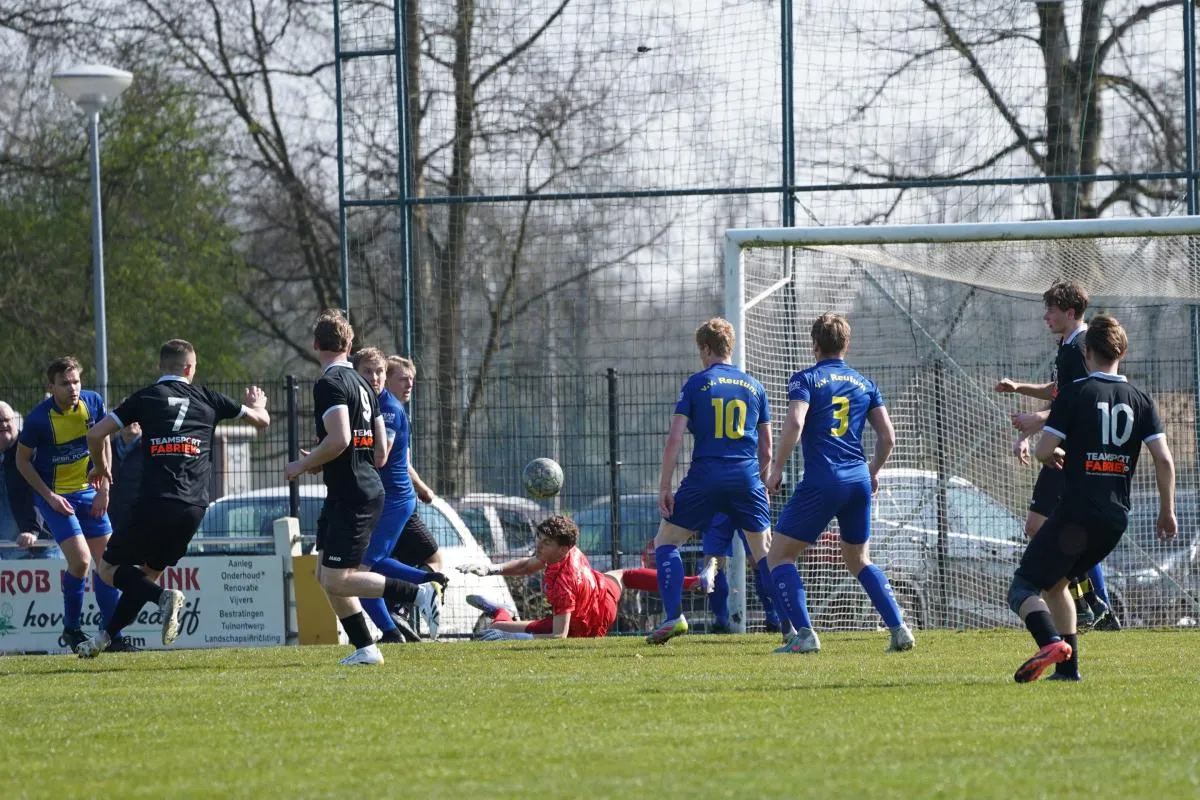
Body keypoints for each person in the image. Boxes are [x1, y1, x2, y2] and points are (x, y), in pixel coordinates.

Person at [74, 339, 271, 657]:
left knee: (107, 569)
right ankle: (104, 638)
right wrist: (257, 405)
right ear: (190, 368)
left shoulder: (146, 397)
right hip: (194, 507)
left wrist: (99, 466)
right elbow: (262, 422)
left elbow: (95, 433)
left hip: (155, 500)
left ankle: (163, 598)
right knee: (148, 575)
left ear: (160, 366)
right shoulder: (210, 398)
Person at [1010, 315, 1174, 683]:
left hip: (1077, 512)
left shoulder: (1075, 393)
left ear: (1086, 353)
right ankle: (1068, 670)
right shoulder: (1141, 400)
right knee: (1057, 584)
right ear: (1122, 353)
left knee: (1022, 587)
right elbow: (1164, 461)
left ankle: (1050, 643)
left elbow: (1044, 450)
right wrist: (1167, 510)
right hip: (1115, 519)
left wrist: (1051, 454)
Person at [283, 310, 434, 666]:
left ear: (315, 344)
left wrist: (302, 464)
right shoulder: (364, 385)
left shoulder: (330, 383)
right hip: (351, 490)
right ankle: (366, 647)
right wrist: (325, 460)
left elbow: (339, 439)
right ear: (349, 345)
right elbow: (379, 453)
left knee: (338, 579)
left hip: (353, 494)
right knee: (324, 575)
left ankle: (419, 593)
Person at [765, 313, 914, 654]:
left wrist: (777, 468)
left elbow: (795, 423)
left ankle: (805, 635)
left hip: (823, 479)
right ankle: (899, 628)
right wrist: (872, 471)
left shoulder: (805, 379)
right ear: (846, 344)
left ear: (814, 344)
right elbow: (888, 437)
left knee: (779, 557)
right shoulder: (864, 384)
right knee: (859, 559)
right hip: (857, 479)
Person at [996, 281, 1116, 630]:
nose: (1045, 316)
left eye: (1051, 309)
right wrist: (1020, 390)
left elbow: (1081, 402)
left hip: (1069, 453)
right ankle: (1091, 603)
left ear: (1070, 312)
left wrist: (1037, 421)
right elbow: (1058, 393)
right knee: (1056, 530)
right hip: (1062, 450)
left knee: (1041, 528)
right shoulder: (1068, 345)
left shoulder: (1080, 348)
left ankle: (1089, 602)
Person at [647, 317, 772, 645]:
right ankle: (791, 626)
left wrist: (665, 486)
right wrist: (761, 483)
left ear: (705, 348)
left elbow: (674, 439)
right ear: (730, 347)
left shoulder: (696, 384)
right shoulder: (755, 386)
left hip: (705, 477)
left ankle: (674, 617)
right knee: (766, 554)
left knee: (666, 543)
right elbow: (767, 447)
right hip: (745, 477)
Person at [14, 358, 128, 650]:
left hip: (89, 491)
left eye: (76, 381)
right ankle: (72, 629)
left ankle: (112, 636)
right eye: (65, 384)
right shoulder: (39, 420)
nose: (72, 388)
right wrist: (50, 497)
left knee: (108, 565)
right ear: (51, 387)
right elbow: (21, 461)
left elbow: (104, 442)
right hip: (56, 498)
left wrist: (104, 488)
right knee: (80, 561)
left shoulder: (93, 402)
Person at [457, 515, 711, 640]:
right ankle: (694, 582)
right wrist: (491, 569)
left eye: (546, 542)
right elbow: (526, 566)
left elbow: (559, 636)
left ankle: (502, 613)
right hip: (602, 595)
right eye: (539, 539)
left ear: (563, 548)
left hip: (584, 625)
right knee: (623, 575)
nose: (538, 546)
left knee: (497, 630)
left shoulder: (563, 584)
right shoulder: (568, 551)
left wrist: (514, 637)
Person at [352, 348, 445, 644]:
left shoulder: (388, 409)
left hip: (392, 501)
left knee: (359, 572)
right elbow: (400, 461)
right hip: (382, 500)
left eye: (378, 372)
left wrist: (337, 453)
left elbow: (382, 455)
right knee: (369, 566)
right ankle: (401, 619)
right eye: (369, 372)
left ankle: (418, 595)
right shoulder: (369, 405)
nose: (374, 378)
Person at [702, 513, 786, 634]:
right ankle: (721, 621)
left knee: (760, 558)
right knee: (712, 563)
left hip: (747, 503)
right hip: (716, 507)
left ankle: (774, 617)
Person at [0, 401, 59, 561]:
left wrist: (31, 530)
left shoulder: (30, 450)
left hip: (42, 544)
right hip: (8, 549)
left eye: (7, 420)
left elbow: (38, 491)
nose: (4, 425)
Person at [107, 421, 144, 535]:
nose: (131, 422)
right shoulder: (108, 449)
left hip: (139, 516)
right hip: (111, 515)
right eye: (128, 417)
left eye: (136, 418)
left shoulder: (149, 449)